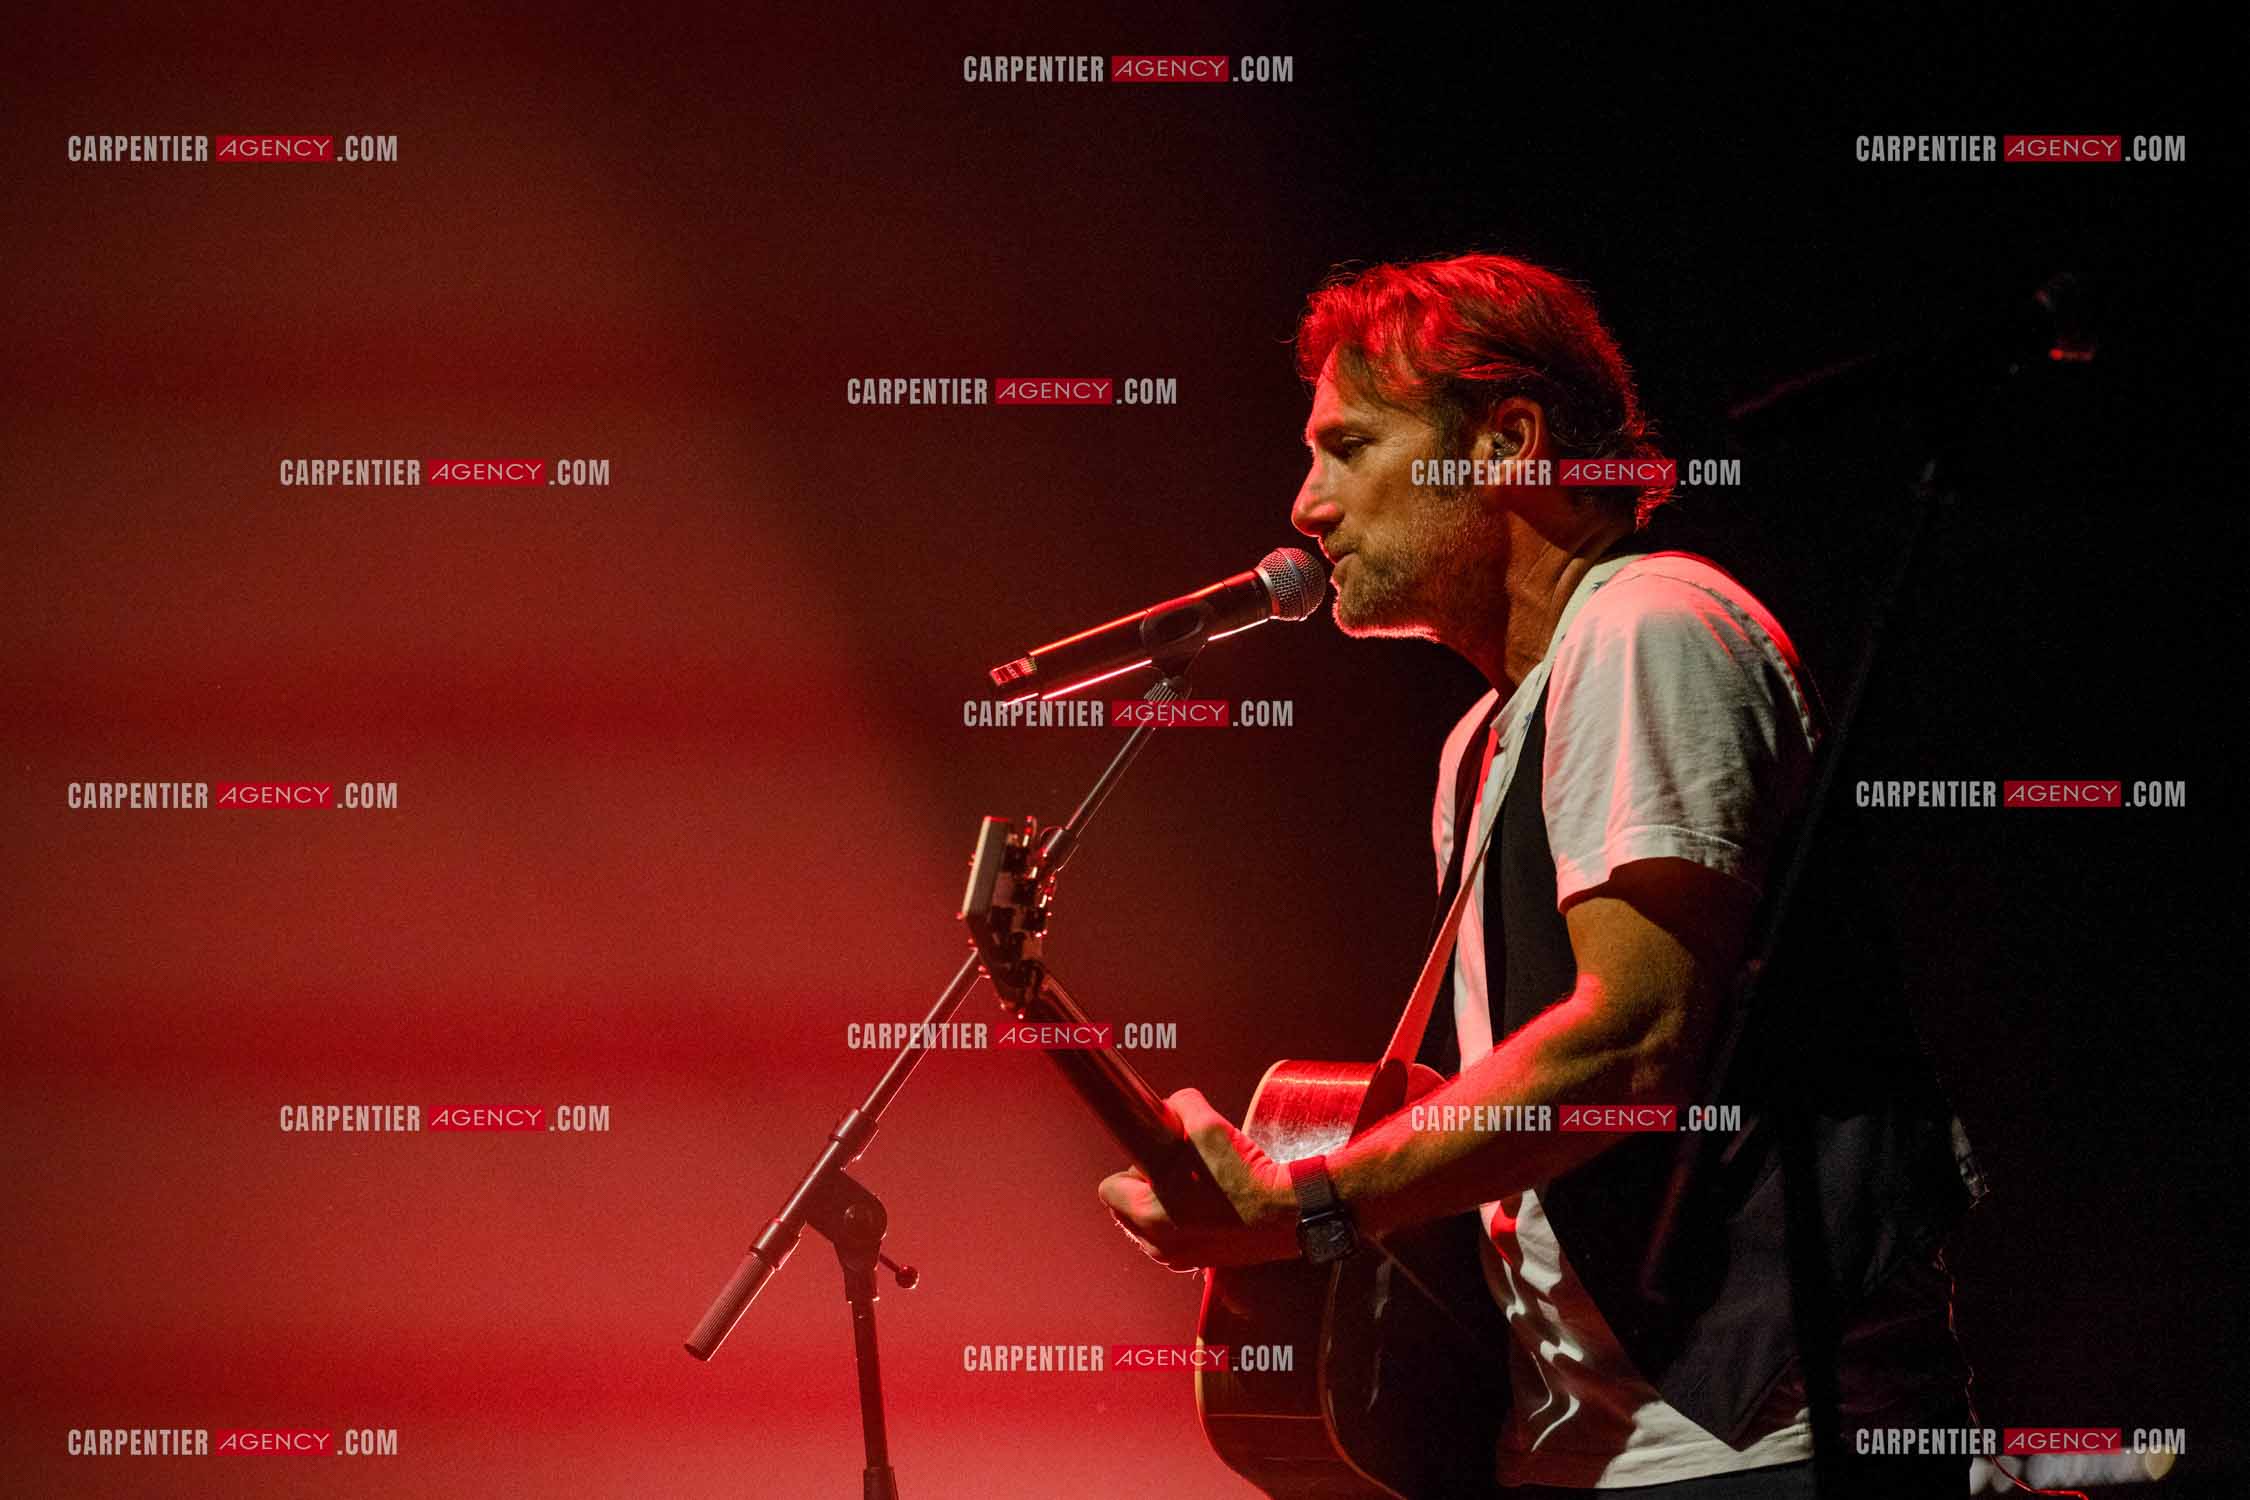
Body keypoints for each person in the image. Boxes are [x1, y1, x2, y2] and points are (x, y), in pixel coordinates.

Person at [1097, 253, 1985, 1497]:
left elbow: (1629, 1043)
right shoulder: (1484, 744)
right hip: (1582, 1456)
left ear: (1508, 443)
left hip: (1761, 1447)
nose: (1307, 505)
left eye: (1348, 447)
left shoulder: (1649, 623)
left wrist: (1312, 1204)